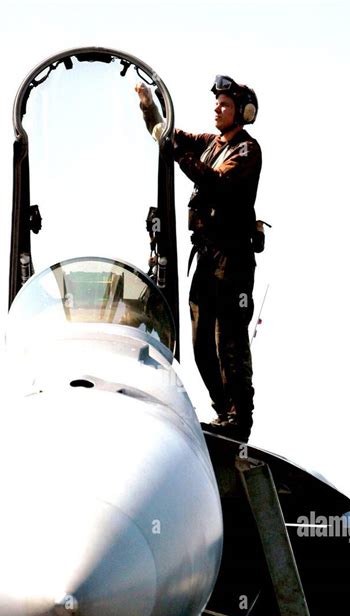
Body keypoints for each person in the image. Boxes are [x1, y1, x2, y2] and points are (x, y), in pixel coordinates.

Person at [136, 75, 262, 443]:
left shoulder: (246, 151)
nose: (217, 109)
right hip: (207, 257)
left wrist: (182, 157)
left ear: (243, 112)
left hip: (232, 260)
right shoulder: (212, 144)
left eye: (224, 105)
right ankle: (223, 411)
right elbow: (168, 136)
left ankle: (239, 419)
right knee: (200, 341)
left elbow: (216, 184)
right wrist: (148, 105)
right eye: (217, 104)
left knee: (229, 339)